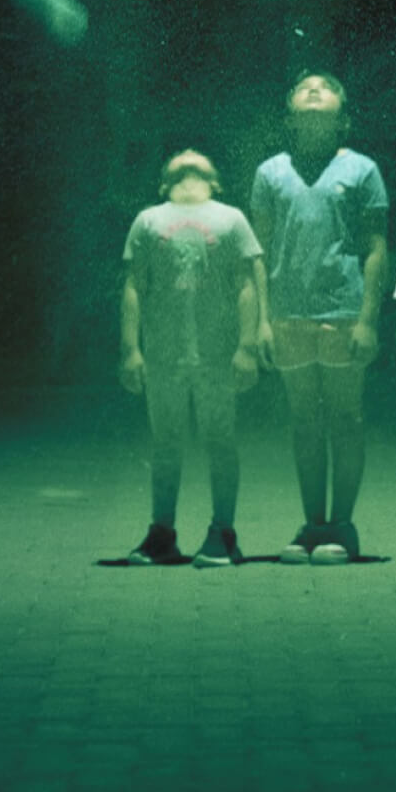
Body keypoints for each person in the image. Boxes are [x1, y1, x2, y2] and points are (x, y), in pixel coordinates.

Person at [249, 71, 388, 564]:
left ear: (343, 118)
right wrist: (260, 321)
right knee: (304, 421)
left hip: (343, 312)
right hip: (288, 316)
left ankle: (342, 526)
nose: (314, 88)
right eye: (304, 87)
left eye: (327, 87)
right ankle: (313, 524)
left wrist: (369, 318)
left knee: (345, 419)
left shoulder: (362, 169)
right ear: (289, 116)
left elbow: (375, 247)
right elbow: (258, 252)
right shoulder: (270, 173)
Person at [119, 150, 265, 567]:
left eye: (198, 161)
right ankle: (161, 533)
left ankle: (224, 532)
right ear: (162, 183)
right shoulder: (148, 219)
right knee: (166, 444)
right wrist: (131, 349)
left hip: (216, 354)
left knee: (220, 441)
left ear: (216, 181)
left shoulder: (231, 218)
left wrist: (247, 346)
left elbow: (246, 285)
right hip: (164, 354)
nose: (187, 158)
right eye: (176, 162)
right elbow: (133, 285)